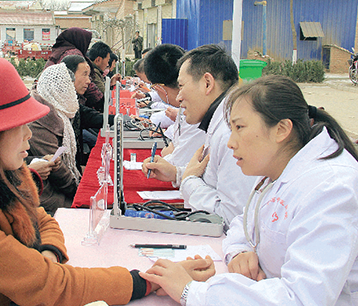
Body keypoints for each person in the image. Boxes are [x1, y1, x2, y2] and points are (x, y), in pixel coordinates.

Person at [0, 55, 216, 305]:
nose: (29, 134)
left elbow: (42, 221)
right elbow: (49, 287)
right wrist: (147, 280)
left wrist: (47, 254)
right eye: (19, 125)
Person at [140, 75, 358, 305]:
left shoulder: (331, 188)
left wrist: (191, 292)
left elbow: (302, 298)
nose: (231, 142)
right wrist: (239, 251)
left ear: (282, 129)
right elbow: (243, 223)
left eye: (240, 127)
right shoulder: (277, 168)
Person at [142, 45, 256, 227]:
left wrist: (188, 182)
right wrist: (177, 174)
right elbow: (211, 179)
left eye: (181, 86)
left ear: (207, 84)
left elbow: (232, 218)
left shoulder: (230, 133)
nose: (178, 97)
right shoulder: (219, 120)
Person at [28, 63, 80, 215]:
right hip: (46, 196)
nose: (73, 92)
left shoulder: (60, 112)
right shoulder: (40, 120)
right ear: (58, 90)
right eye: (69, 88)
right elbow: (57, 170)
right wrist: (76, 188)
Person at [142, 44, 206, 166]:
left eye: (182, 85)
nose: (180, 97)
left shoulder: (198, 110)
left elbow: (180, 163)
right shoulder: (189, 106)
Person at [61, 54, 116, 167]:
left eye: (89, 76)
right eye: (84, 75)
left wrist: (121, 119)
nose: (88, 81)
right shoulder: (57, 108)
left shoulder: (72, 102)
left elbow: (91, 116)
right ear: (68, 76)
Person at [45, 27, 104, 111]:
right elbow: (85, 82)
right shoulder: (74, 54)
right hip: (65, 102)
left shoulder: (60, 51)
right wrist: (101, 100)